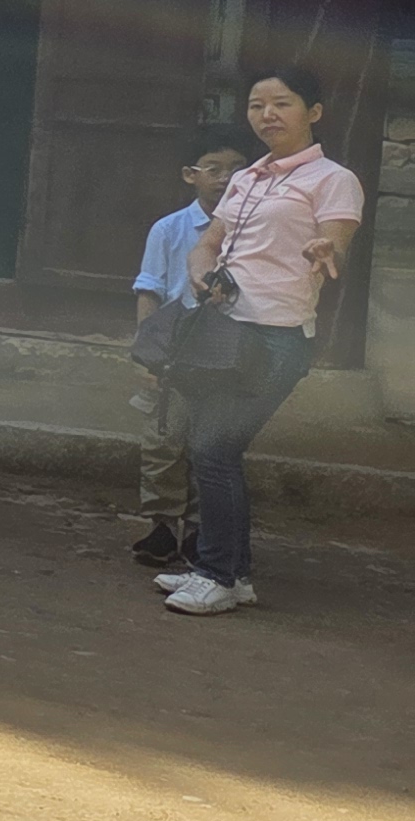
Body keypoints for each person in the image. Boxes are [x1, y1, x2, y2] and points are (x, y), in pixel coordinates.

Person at [162, 65, 366, 616]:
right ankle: (232, 573)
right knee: (212, 448)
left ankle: (218, 575)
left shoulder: (333, 179)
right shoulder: (248, 177)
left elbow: (337, 241)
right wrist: (201, 270)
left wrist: (326, 251)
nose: (267, 115)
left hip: (276, 339)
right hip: (224, 332)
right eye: (257, 106)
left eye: (282, 103)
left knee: (214, 449)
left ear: (313, 112)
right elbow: (209, 242)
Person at [127, 128, 252, 573]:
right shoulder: (169, 229)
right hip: (176, 347)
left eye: (236, 169)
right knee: (163, 439)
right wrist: (148, 353)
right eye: (213, 169)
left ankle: (201, 530)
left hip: (228, 349)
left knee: (211, 443)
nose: (225, 179)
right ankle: (162, 525)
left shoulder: (253, 231)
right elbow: (150, 290)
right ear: (189, 175)